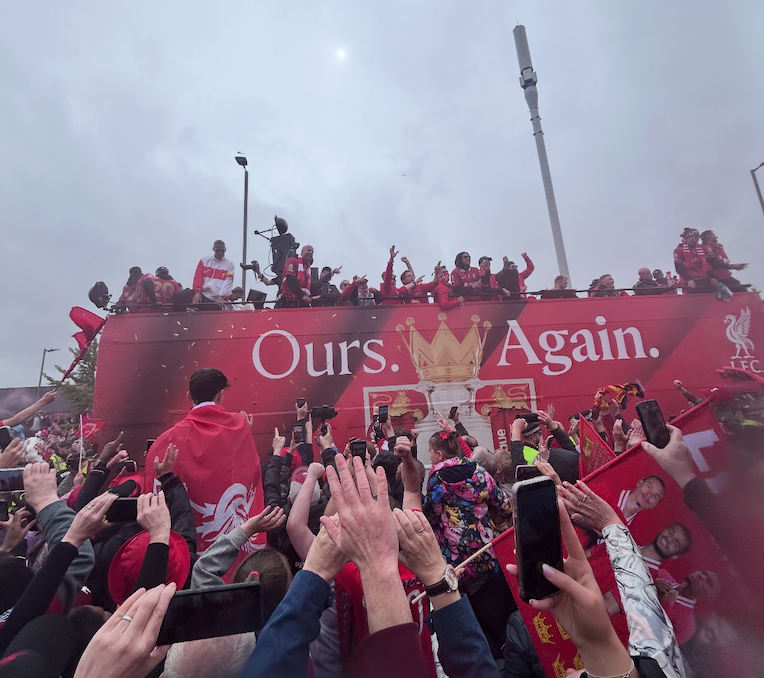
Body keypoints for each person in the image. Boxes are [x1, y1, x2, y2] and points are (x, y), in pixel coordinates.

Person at [145, 368, 264, 556]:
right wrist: (244, 434)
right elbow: (252, 472)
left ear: (189, 396)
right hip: (232, 543)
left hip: (189, 546)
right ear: (220, 395)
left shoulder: (166, 440)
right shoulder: (239, 426)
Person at [423, 430, 514, 657]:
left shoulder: (436, 478)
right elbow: (505, 506)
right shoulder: (480, 471)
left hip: (457, 564)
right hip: (487, 555)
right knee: (499, 623)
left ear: (439, 453)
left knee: (470, 629)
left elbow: (431, 515)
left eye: (431, 451)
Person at [510, 411, 579, 484]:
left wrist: (516, 431)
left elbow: (520, 472)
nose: (545, 452)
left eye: (547, 455)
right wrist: (551, 424)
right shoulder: (576, 461)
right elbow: (571, 448)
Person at [192, 240, 235, 308]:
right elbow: (198, 277)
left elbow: (228, 281)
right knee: (181, 296)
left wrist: (221, 296)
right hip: (202, 295)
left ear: (225, 250)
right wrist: (197, 292)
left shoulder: (229, 265)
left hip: (216, 299)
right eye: (218, 251)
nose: (220, 253)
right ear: (213, 249)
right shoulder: (204, 261)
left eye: (222, 251)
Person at [673, 228, 712, 293]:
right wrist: (689, 279)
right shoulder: (679, 250)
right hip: (691, 280)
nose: (697, 239)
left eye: (698, 237)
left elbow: (709, 263)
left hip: (705, 278)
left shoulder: (701, 248)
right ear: (688, 237)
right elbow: (679, 267)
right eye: (695, 236)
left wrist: (712, 277)